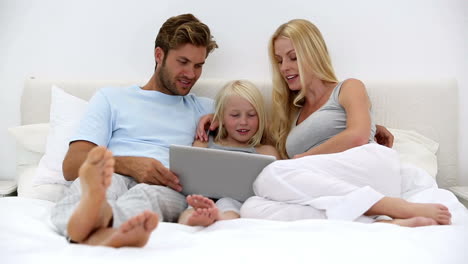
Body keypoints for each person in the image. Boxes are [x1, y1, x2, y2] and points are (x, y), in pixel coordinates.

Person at [198, 19, 451, 227]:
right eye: (279, 60)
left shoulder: (348, 88)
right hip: (331, 187)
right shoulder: (291, 113)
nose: (285, 67)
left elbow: (358, 136)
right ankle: (378, 222)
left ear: (312, 53)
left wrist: (304, 158)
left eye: (292, 57)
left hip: (367, 170)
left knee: (272, 175)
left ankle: (392, 206)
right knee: (253, 207)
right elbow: (251, 134)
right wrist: (217, 116)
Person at [50, 13, 218, 248]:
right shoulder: (111, 98)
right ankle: (99, 223)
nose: (191, 74)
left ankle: (98, 224)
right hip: (113, 174)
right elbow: (71, 165)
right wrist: (129, 164)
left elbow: (258, 138)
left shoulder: (206, 108)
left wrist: (220, 119)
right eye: (182, 62)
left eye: (198, 65)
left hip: (164, 186)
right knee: (89, 186)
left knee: (146, 197)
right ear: (159, 55)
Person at [177, 80, 280, 227]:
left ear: (261, 117)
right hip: (205, 195)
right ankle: (192, 219)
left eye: (251, 115)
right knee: (193, 204)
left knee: (229, 203)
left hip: (238, 200)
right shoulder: (205, 143)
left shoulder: (266, 151)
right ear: (221, 118)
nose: (243, 122)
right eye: (235, 115)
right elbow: (191, 174)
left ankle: (221, 218)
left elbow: (279, 184)